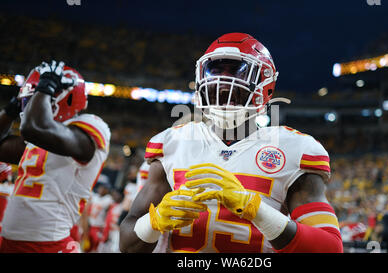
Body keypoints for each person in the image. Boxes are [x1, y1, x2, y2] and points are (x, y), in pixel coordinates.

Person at [120, 33, 343, 253]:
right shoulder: (172, 143)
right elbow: (127, 245)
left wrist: (257, 211)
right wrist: (154, 221)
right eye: (216, 69)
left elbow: (330, 248)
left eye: (236, 70)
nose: (223, 81)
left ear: (265, 85)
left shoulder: (294, 149)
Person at [0, 60, 111, 253]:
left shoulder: (89, 128)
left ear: (63, 98)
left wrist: (46, 85)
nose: (27, 107)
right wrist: (10, 109)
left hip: (48, 245)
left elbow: (34, 128)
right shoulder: (39, 140)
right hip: (12, 243)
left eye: (33, 99)